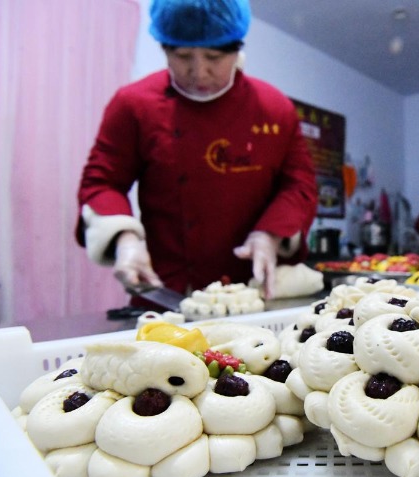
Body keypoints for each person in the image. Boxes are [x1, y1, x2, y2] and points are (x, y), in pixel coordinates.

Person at [75, 0, 318, 302]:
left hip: (251, 293)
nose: (198, 72)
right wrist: (126, 241)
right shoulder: (133, 105)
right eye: (182, 55)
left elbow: (299, 184)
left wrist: (269, 235)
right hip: (166, 289)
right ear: (164, 48)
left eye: (213, 57)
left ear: (236, 50)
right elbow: (102, 182)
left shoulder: (274, 108)